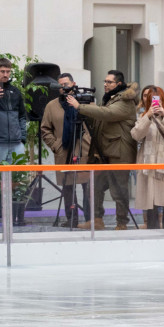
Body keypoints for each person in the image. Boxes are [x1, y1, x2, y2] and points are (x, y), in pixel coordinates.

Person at [67, 70, 138, 230]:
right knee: (95, 186)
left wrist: (80, 106)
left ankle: (122, 223)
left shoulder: (125, 101)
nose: (105, 85)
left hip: (120, 153)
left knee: (119, 191)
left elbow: (108, 114)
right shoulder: (110, 99)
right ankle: (97, 220)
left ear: (118, 84)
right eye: (104, 81)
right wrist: (83, 111)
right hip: (104, 151)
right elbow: (100, 119)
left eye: (109, 82)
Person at [130, 85, 164, 229]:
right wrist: (148, 115)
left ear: (162, 100)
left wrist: (163, 115)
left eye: (157, 99)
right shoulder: (143, 116)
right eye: (151, 99)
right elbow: (136, 135)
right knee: (150, 203)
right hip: (147, 164)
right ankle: (152, 230)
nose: (154, 102)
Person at [40, 73, 91, 227]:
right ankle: (72, 220)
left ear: (73, 83)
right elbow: (45, 129)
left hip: (84, 150)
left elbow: (97, 124)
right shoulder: (52, 105)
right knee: (68, 188)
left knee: (88, 186)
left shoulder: (85, 101)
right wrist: (56, 146)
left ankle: (91, 219)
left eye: (66, 84)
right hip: (64, 151)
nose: (64, 88)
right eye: (61, 85)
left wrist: (91, 141)